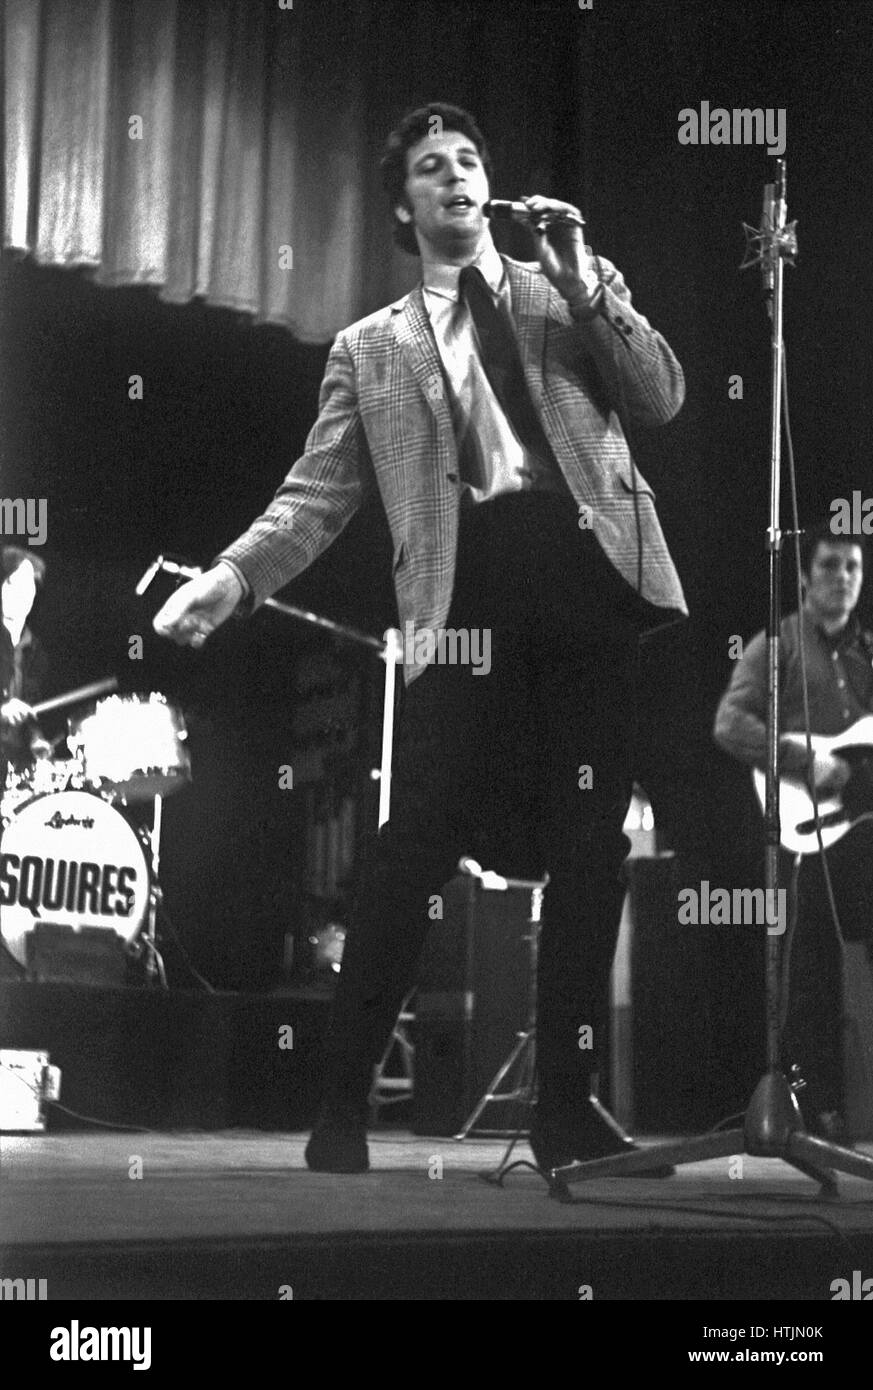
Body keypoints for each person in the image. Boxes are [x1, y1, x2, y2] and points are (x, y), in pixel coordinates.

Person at [154, 103, 687, 1173]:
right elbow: (316, 495)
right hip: (466, 602)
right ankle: (341, 1105)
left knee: (593, 844)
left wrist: (583, 275)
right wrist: (232, 575)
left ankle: (566, 1109)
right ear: (404, 206)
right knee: (412, 851)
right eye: (433, 167)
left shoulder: (568, 289)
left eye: (470, 159)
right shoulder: (370, 348)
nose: (457, 175)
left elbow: (661, 396)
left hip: (586, 586)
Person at [714, 523, 873, 1137]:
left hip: (859, 833)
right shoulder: (774, 645)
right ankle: (816, 1109)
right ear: (805, 575)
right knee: (810, 976)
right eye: (830, 564)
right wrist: (810, 761)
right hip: (807, 835)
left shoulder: (864, 653)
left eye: (853, 567)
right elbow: (730, 725)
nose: (842, 577)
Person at [1, 546, 51, 778]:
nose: (19, 593)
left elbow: (30, 705)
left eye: (27, 585)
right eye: (11, 584)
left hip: (12, 766)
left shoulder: (36, 651)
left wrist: (36, 739)